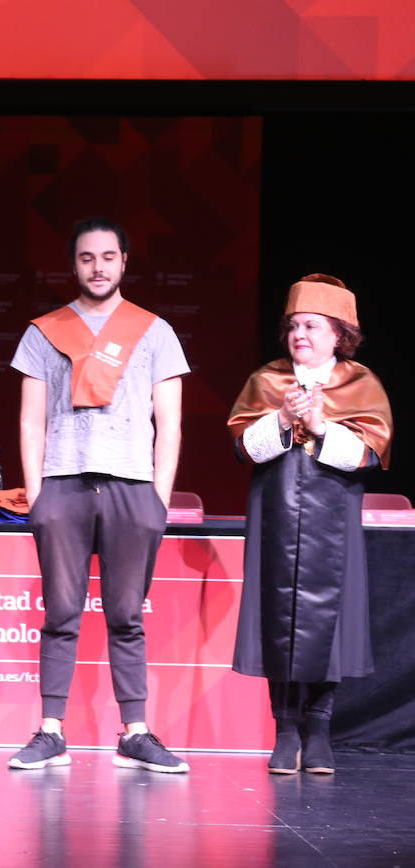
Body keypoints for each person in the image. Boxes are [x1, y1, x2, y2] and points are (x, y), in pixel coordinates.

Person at [7, 218, 190, 773]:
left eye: (108, 257)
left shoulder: (154, 330)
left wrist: (158, 497)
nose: (98, 267)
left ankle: (135, 732)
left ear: (124, 261)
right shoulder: (44, 331)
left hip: (133, 489)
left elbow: (171, 423)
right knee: (61, 612)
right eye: (87, 258)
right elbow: (31, 421)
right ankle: (50, 731)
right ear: (75, 266)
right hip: (63, 485)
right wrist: (38, 494)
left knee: (126, 614)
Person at [227, 274, 391, 775]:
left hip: (332, 520)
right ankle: (284, 730)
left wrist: (320, 427)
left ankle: (318, 729)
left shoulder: (360, 383)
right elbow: (242, 448)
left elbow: (368, 454)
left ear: (338, 334)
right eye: (294, 325)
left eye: (312, 326)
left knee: (330, 623)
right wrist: (280, 419)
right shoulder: (267, 380)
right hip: (277, 514)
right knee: (279, 618)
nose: (300, 334)